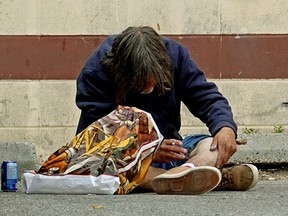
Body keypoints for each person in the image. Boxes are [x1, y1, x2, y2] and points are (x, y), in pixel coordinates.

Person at [75, 26, 258, 195]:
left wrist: (224, 127)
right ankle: (208, 179)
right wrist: (145, 148)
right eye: (141, 80)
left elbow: (205, 97)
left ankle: (182, 175)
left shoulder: (175, 55)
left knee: (212, 145)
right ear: (122, 71)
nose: (150, 85)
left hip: (170, 150)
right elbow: (100, 133)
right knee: (114, 170)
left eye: (154, 78)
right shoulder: (97, 71)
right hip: (121, 157)